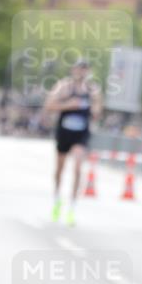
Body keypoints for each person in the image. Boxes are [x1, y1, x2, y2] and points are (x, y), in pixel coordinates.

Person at [44, 58, 103, 225]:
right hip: (64, 132)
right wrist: (68, 105)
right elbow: (49, 105)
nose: (81, 72)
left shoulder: (93, 90)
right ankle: (57, 200)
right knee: (60, 169)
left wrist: (95, 110)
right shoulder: (63, 86)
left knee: (78, 167)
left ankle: (72, 207)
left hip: (81, 134)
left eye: (85, 69)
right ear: (73, 70)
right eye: (79, 69)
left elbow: (98, 109)